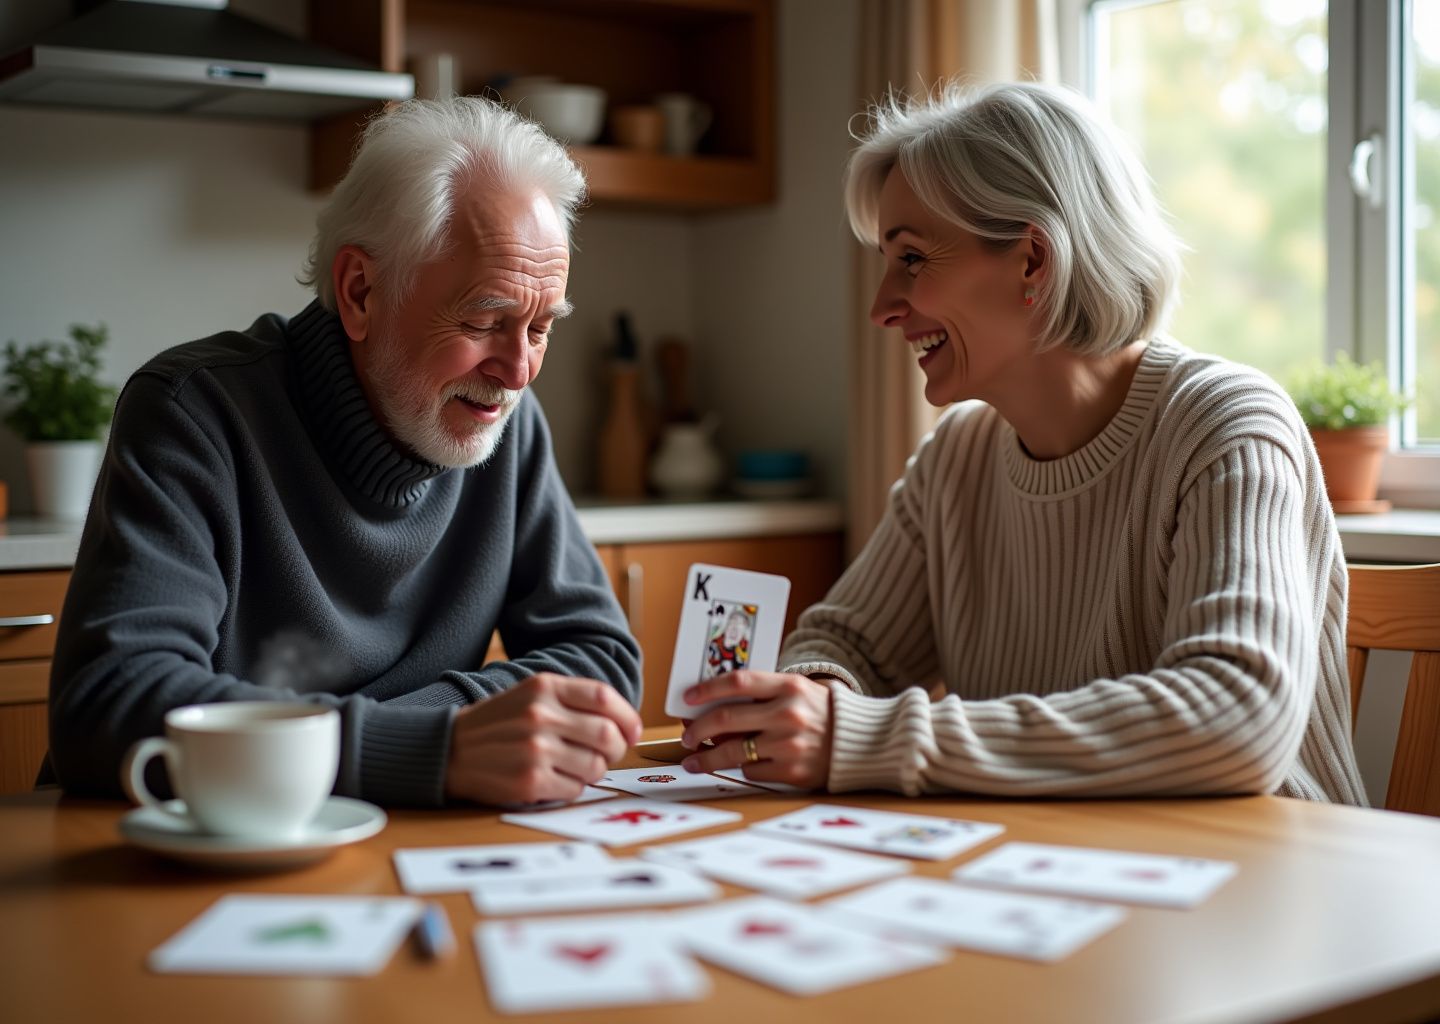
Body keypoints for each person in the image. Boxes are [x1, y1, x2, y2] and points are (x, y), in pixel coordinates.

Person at [678, 81, 1367, 805]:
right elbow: (846, 644)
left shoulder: (1224, 424)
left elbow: (1235, 720)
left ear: (1033, 260)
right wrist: (816, 699)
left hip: (1262, 881)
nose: (882, 307)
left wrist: (865, 737)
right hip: (1065, 875)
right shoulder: (957, 458)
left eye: (911, 259)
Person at [47, 97, 643, 808]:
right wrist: (436, 744)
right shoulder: (194, 410)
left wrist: (437, 736)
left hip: (393, 838)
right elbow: (111, 700)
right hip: (178, 850)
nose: (519, 371)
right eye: (486, 320)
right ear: (360, 291)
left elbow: (602, 665)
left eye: (541, 327)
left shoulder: (506, 423)